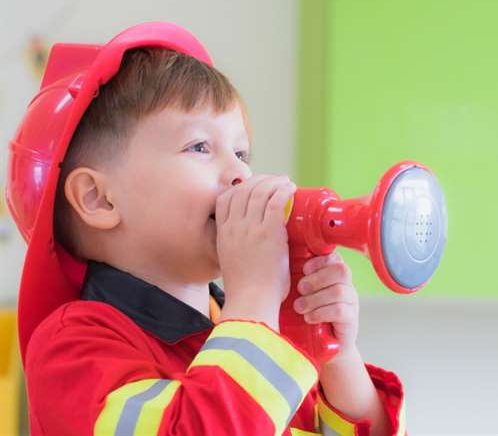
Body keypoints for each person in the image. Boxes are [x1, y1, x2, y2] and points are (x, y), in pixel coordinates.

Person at [5, 22, 406, 436]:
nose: (240, 173)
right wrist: (254, 299)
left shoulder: (256, 335)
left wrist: (336, 359)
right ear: (98, 199)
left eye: (241, 152)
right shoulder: (72, 347)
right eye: (200, 147)